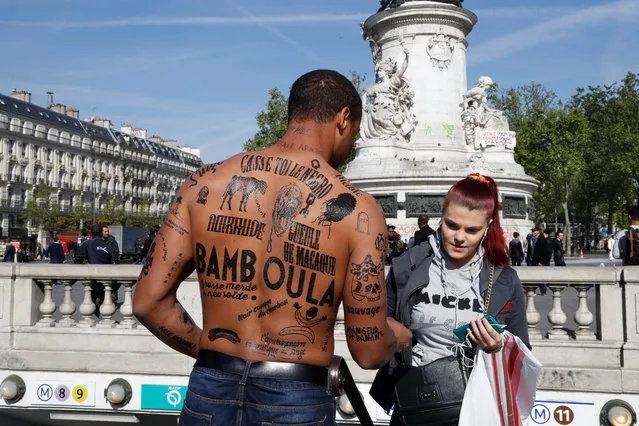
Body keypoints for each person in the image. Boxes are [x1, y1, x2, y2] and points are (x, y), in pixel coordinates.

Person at [133, 70, 402, 426]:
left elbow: (148, 302)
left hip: (210, 387)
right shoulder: (357, 208)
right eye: (354, 132)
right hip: (297, 396)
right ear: (344, 119)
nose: (352, 143)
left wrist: (214, 351)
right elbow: (368, 352)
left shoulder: (203, 182)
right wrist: (398, 336)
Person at [371, 173, 530, 425]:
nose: (459, 237)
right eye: (451, 225)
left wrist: (498, 345)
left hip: (478, 407)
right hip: (416, 406)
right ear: (441, 217)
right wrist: (392, 334)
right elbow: (378, 332)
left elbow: (522, 354)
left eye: (472, 230)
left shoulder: (504, 279)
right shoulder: (407, 267)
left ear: (488, 226)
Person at [75, 224, 116, 309]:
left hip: (93, 278)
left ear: (91, 233)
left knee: (92, 304)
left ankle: (101, 317)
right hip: (106, 278)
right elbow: (114, 262)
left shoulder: (87, 244)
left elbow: (77, 258)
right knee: (103, 303)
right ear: (101, 233)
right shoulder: (108, 246)